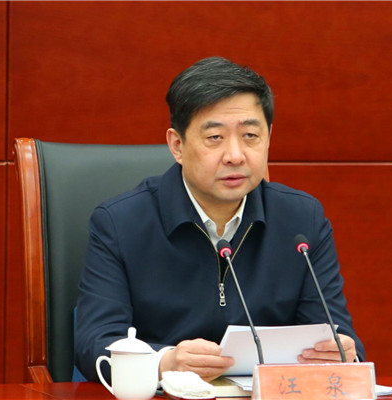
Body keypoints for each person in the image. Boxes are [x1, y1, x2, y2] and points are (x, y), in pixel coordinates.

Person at [75, 56, 365, 383]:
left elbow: (337, 333)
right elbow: (94, 344)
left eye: (250, 136)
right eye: (215, 137)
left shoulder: (302, 221)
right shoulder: (121, 223)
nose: (235, 155)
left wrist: (341, 351)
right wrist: (164, 362)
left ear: (269, 137)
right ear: (177, 145)